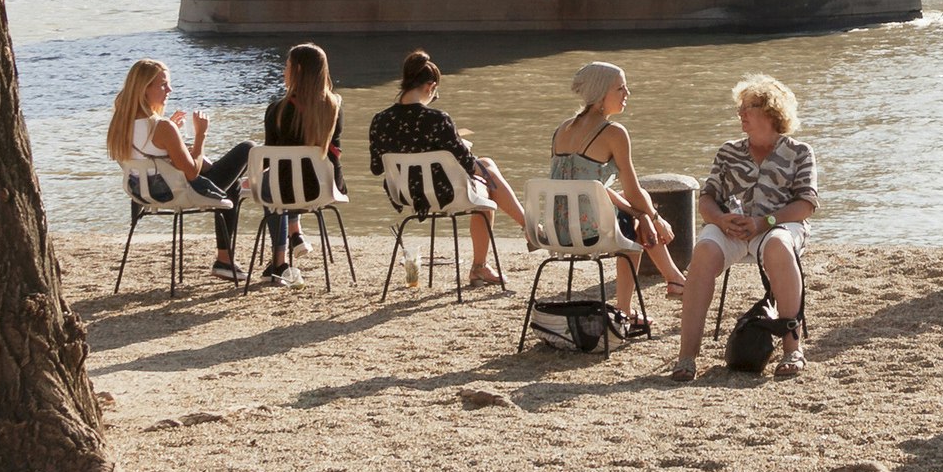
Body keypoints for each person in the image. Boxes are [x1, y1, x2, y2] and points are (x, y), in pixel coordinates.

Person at [669, 75, 817, 378]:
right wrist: (720, 219)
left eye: (748, 107)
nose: (741, 114)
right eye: (741, 108)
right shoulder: (729, 151)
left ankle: (792, 349)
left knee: (777, 244)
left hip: (778, 225)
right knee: (704, 250)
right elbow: (707, 199)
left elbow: (807, 204)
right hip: (732, 228)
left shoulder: (799, 152)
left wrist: (765, 221)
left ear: (771, 111)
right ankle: (687, 357)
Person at [367, 51, 520, 288]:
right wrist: (456, 147)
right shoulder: (438, 120)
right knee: (486, 180)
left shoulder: (380, 121)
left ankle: (528, 228)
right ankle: (484, 264)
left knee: (486, 169)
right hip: (447, 194)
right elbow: (468, 165)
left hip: (407, 195)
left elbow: (377, 167)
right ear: (431, 86)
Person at [552, 60, 689, 314]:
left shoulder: (562, 129)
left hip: (559, 229)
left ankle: (674, 279)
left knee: (633, 210)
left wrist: (640, 213)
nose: (628, 94)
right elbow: (634, 189)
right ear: (601, 94)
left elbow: (592, 188)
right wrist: (655, 218)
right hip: (590, 231)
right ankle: (631, 305)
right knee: (635, 224)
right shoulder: (613, 133)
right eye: (620, 89)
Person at [106, 57, 251, 284]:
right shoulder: (162, 127)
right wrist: (201, 134)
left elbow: (150, 156)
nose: (169, 89)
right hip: (176, 193)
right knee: (247, 149)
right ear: (145, 90)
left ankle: (225, 259)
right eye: (163, 84)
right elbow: (192, 173)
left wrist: (176, 140)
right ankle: (224, 259)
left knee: (225, 177)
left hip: (143, 193)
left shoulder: (120, 124)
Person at [254, 41, 345, 285]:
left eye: (287, 66)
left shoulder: (277, 110)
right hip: (323, 188)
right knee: (287, 181)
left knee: (272, 186)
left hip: (285, 191)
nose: (284, 71)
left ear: (297, 72)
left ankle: (280, 261)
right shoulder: (334, 106)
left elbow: (269, 157)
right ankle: (295, 234)